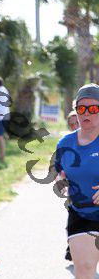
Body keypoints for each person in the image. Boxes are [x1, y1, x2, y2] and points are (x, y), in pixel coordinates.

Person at [55, 83, 99, 279]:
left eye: (93, 108)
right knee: (83, 271)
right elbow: (60, 174)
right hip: (81, 214)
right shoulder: (65, 144)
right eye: (81, 108)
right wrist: (61, 184)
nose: (86, 113)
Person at [64, 111, 80, 262]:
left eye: (77, 123)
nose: (75, 127)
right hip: (76, 191)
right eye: (72, 125)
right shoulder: (68, 143)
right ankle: (71, 247)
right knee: (73, 218)